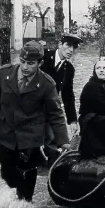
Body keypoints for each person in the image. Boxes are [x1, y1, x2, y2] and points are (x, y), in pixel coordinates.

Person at [0, 41, 70, 202]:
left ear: (40, 63)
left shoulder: (47, 84)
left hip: (30, 135)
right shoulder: (4, 74)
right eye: (22, 62)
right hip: (5, 132)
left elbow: (56, 114)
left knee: (28, 170)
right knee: (7, 174)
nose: (25, 67)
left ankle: (25, 205)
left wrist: (63, 141)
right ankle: (17, 190)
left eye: (30, 63)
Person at [40, 33, 83, 161]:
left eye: (74, 47)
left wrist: (73, 120)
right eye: (68, 45)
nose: (71, 50)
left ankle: (51, 170)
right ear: (60, 44)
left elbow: (67, 95)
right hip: (31, 106)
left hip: (49, 109)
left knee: (53, 139)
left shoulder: (68, 69)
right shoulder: (43, 57)